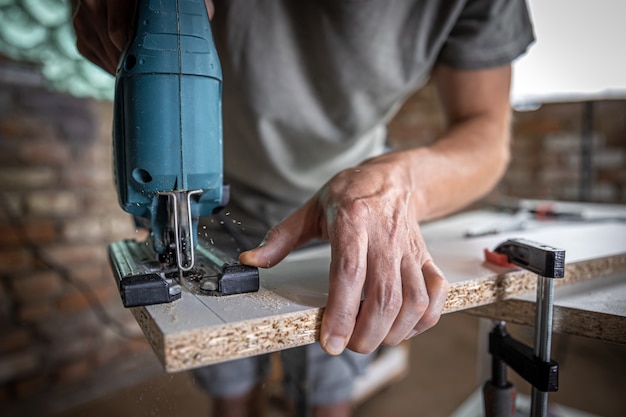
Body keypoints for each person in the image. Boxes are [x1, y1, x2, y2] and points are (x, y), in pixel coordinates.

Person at [71, 1, 534, 416]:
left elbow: (486, 134)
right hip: (215, 212)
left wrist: (402, 183)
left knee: (326, 393)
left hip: (347, 219)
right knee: (229, 393)